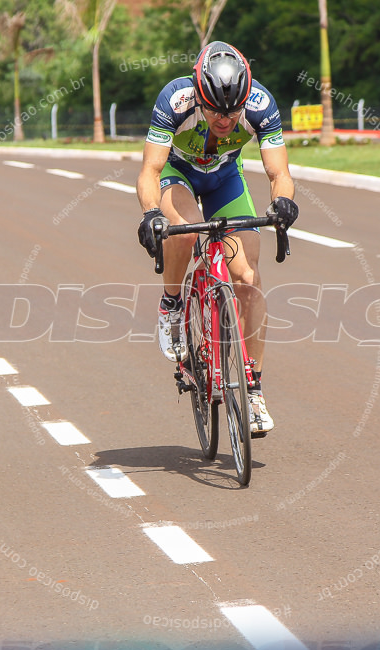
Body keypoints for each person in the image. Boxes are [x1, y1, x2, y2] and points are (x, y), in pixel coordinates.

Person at [136, 41, 299, 435]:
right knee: (184, 232)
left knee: (247, 277)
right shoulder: (175, 99)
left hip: (225, 180)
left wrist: (283, 204)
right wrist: (151, 214)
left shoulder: (260, 103)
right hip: (179, 175)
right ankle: (172, 305)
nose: (225, 120)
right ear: (199, 96)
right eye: (214, 111)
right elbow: (149, 171)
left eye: (232, 112)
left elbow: (280, 174)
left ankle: (254, 388)